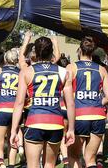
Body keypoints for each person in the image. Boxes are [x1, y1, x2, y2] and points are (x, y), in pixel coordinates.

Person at [10, 36, 75, 168]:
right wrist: (72, 129)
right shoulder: (64, 72)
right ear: (52, 52)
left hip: (35, 121)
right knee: (50, 165)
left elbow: (19, 103)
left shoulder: (26, 72)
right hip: (56, 123)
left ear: (35, 52)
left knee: (32, 165)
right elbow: (71, 104)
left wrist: (13, 130)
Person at [67, 37, 108, 168]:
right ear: (92, 52)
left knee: (74, 156)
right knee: (91, 159)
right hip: (98, 116)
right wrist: (96, 103)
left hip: (79, 115)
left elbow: (67, 95)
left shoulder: (72, 67)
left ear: (80, 50)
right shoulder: (101, 69)